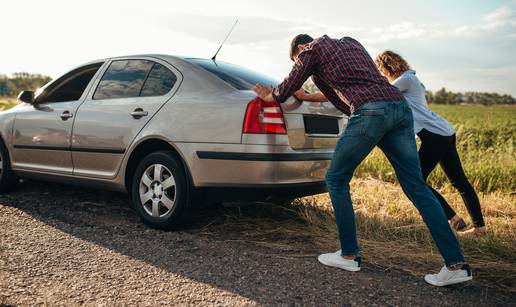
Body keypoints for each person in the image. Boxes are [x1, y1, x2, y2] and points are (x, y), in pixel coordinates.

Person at [253, 34, 472, 286]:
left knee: (335, 178)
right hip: (399, 108)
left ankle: (348, 254)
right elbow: (342, 98)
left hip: (371, 111)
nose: (299, 62)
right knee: (416, 186)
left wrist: (273, 96)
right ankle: (456, 264)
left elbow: (288, 86)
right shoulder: (351, 42)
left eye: (296, 59)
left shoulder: (311, 50)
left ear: (300, 48)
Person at [373, 51, 487, 237]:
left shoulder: (405, 80)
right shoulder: (411, 79)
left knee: (414, 179)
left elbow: (382, 92)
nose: (381, 74)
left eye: (380, 70)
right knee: (459, 181)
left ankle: (453, 219)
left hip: (435, 135)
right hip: (443, 132)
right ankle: (478, 227)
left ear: (387, 67)